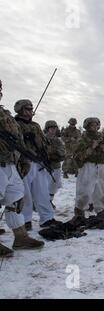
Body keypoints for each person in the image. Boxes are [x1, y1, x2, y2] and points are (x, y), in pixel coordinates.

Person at [0, 80, 44, 256]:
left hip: (10, 164)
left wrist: (22, 158)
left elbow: (16, 140)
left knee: (16, 199)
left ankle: (20, 237)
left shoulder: (4, 114)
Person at [14, 99, 60, 230]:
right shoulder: (15, 124)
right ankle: (25, 220)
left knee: (43, 192)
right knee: (25, 193)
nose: (30, 111)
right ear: (20, 110)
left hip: (39, 162)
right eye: (27, 109)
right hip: (24, 163)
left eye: (31, 108)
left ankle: (47, 218)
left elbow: (44, 142)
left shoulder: (35, 125)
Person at [72, 118, 104, 222]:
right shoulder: (83, 138)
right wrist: (92, 147)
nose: (94, 127)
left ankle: (101, 211)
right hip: (87, 166)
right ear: (87, 126)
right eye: (92, 125)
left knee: (101, 189)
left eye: (96, 125)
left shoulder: (102, 137)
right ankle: (79, 211)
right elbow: (78, 156)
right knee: (84, 190)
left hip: (100, 166)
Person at [44, 120, 65, 208]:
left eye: (55, 128)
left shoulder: (58, 141)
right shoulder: (42, 139)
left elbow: (62, 153)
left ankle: (50, 201)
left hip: (56, 166)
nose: (53, 130)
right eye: (51, 128)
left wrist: (53, 152)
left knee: (53, 186)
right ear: (47, 129)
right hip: (45, 166)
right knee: (44, 185)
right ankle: (41, 202)